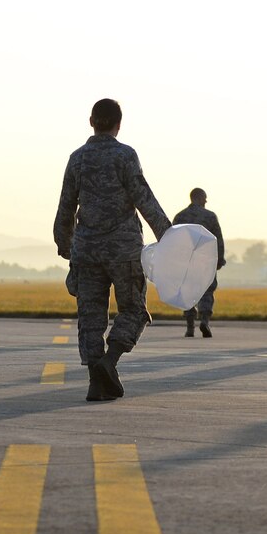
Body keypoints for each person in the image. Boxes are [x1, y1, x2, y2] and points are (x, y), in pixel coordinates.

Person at [53, 98, 171, 401]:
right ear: (119, 124)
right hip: (123, 250)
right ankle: (110, 361)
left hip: (87, 250)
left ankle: (97, 381)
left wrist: (64, 243)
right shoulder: (125, 156)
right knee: (133, 309)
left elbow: (66, 205)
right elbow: (143, 197)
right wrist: (167, 235)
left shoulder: (77, 158)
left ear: (91, 121)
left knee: (91, 317)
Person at [172, 187, 225, 338]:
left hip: (186, 261)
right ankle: (205, 321)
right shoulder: (210, 216)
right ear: (200, 198)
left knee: (187, 291)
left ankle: (190, 327)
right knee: (207, 291)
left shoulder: (180, 217)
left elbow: (172, 240)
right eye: (205, 198)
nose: (206, 201)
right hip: (205, 260)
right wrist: (219, 259)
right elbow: (218, 239)